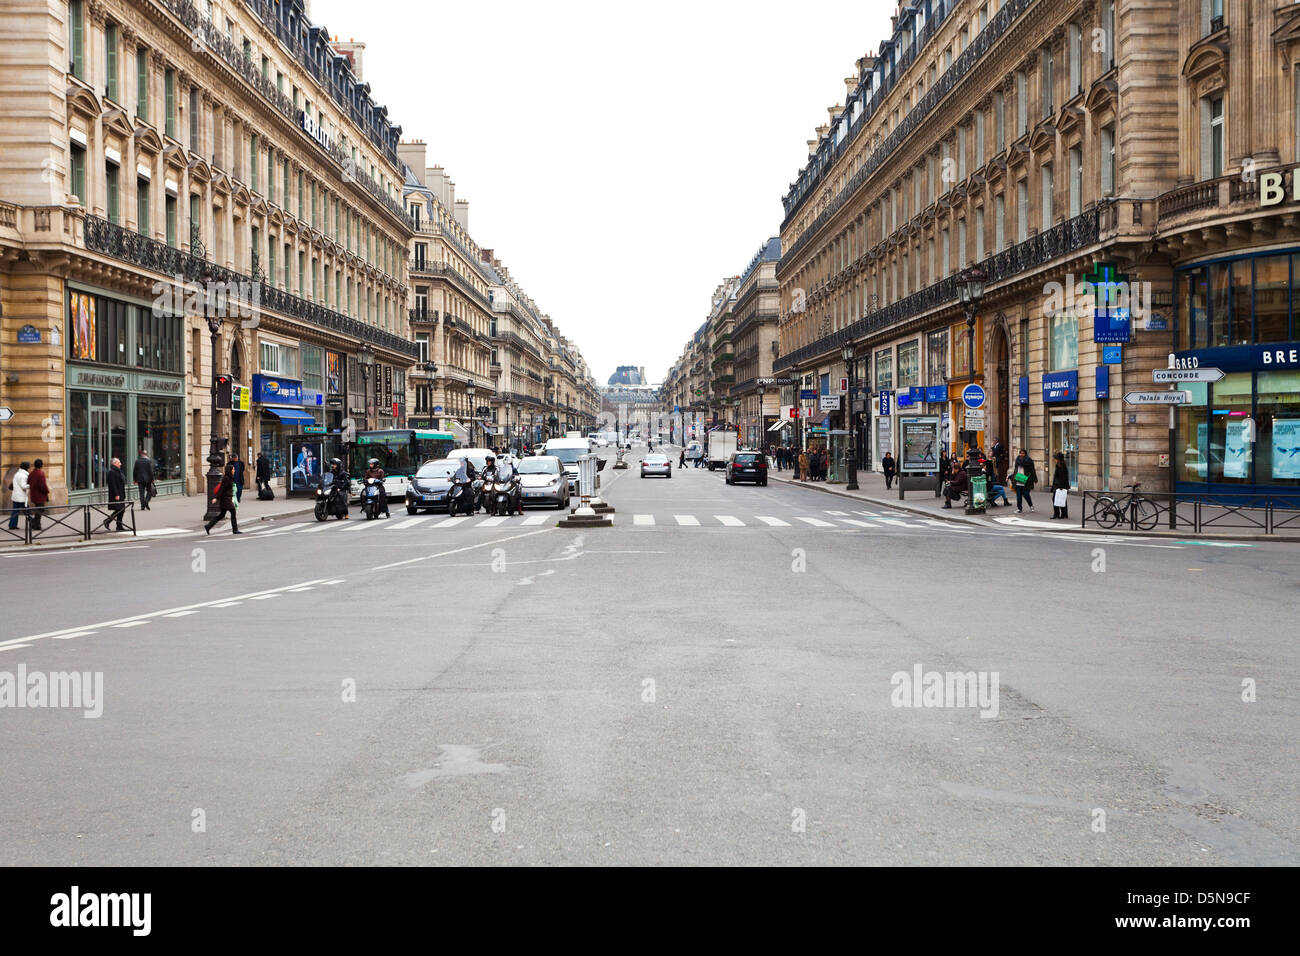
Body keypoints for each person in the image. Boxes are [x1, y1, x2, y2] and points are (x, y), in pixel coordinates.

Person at [205, 462, 241, 534]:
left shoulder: (229, 478)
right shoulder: (226, 478)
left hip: (226, 499)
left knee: (221, 515)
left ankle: (208, 526)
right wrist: (216, 498)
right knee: (233, 512)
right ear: (230, 470)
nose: (234, 470)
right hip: (226, 500)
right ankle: (235, 530)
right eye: (233, 469)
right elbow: (221, 489)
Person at [103, 457, 127, 531]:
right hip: (116, 494)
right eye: (119, 462)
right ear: (114, 463)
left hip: (121, 493)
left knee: (121, 510)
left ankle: (119, 526)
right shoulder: (112, 472)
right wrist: (116, 494)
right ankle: (107, 521)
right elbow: (112, 484)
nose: (121, 464)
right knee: (119, 509)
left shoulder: (118, 471)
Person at [1011, 449, 1037, 513]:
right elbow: (1015, 470)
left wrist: (1035, 479)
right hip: (1018, 479)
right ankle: (1019, 508)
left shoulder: (1029, 460)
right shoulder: (1017, 460)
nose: (1021, 455)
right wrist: (1011, 476)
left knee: (1026, 494)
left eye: (1023, 453)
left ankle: (1031, 506)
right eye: (1020, 453)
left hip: (1026, 480)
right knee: (1018, 495)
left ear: (1025, 454)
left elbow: (1032, 470)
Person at [28, 458, 50, 531]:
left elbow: (28, 482)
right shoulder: (40, 474)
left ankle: (35, 523)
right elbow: (42, 485)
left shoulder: (31, 473)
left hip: (34, 494)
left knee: (39, 509)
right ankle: (36, 525)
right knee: (40, 510)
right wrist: (47, 490)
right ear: (41, 465)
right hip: (40, 495)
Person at [8, 461, 30, 531]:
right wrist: (31, 485)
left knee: (15, 511)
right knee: (27, 511)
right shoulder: (23, 476)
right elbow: (23, 486)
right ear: (26, 468)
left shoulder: (17, 474)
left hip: (15, 496)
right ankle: (34, 523)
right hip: (21, 497)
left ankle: (12, 525)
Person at [1051, 452, 1071, 519]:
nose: (1055, 460)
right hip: (1059, 485)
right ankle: (1064, 514)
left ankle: (1057, 514)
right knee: (1062, 499)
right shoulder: (1060, 465)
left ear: (1059, 459)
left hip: (1059, 486)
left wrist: (1060, 486)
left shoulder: (1061, 466)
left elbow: (1063, 477)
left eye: (1056, 458)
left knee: (1056, 499)